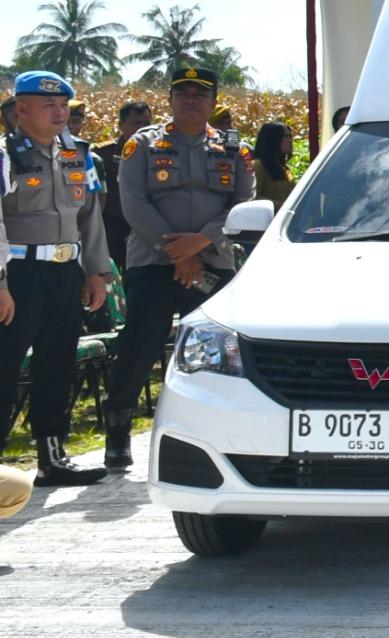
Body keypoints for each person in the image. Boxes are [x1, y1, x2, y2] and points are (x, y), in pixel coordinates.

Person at [108, 64, 257, 472]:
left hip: (212, 260)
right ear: (170, 100)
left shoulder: (232, 149)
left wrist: (201, 242)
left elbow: (242, 205)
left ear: (212, 102)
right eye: (183, 93)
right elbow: (133, 202)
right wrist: (178, 250)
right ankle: (118, 432)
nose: (191, 100)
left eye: (200, 94)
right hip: (154, 261)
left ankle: (222, 428)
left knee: (222, 351)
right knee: (139, 344)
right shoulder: (143, 145)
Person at [0, 71, 112, 485]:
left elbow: (90, 218)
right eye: (48, 105)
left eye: (63, 105)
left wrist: (96, 272)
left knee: (57, 364)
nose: (59, 112)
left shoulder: (77, 154)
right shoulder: (5, 155)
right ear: (21, 109)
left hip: (65, 271)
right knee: (5, 367)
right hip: (18, 274)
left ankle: (52, 456)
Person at [97, 101, 151, 270]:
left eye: (146, 124)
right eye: (136, 123)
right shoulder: (103, 153)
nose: (142, 128)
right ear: (121, 125)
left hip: (143, 228)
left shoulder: (160, 154)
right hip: (111, 225)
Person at [251, 120, 295, 205]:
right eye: (285, 136)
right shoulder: (257, 166)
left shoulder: (285, 170)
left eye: (290, 136)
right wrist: (282, 207)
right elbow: (252, 198)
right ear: (272, 139)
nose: (290, 140)